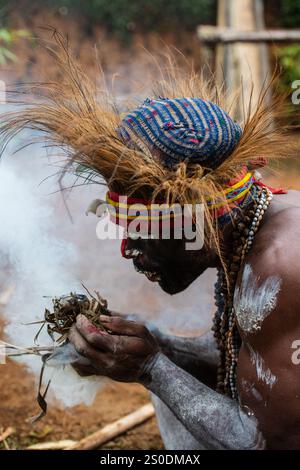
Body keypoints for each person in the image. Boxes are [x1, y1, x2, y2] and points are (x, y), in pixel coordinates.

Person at [2, 40, 299, 449]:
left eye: (141, 232)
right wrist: (155, 344)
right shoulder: (247, 230)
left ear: (197, 220)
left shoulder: (282, 267)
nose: (128, 250)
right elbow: (246, 363)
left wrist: (151, 367)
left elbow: (270, 443)